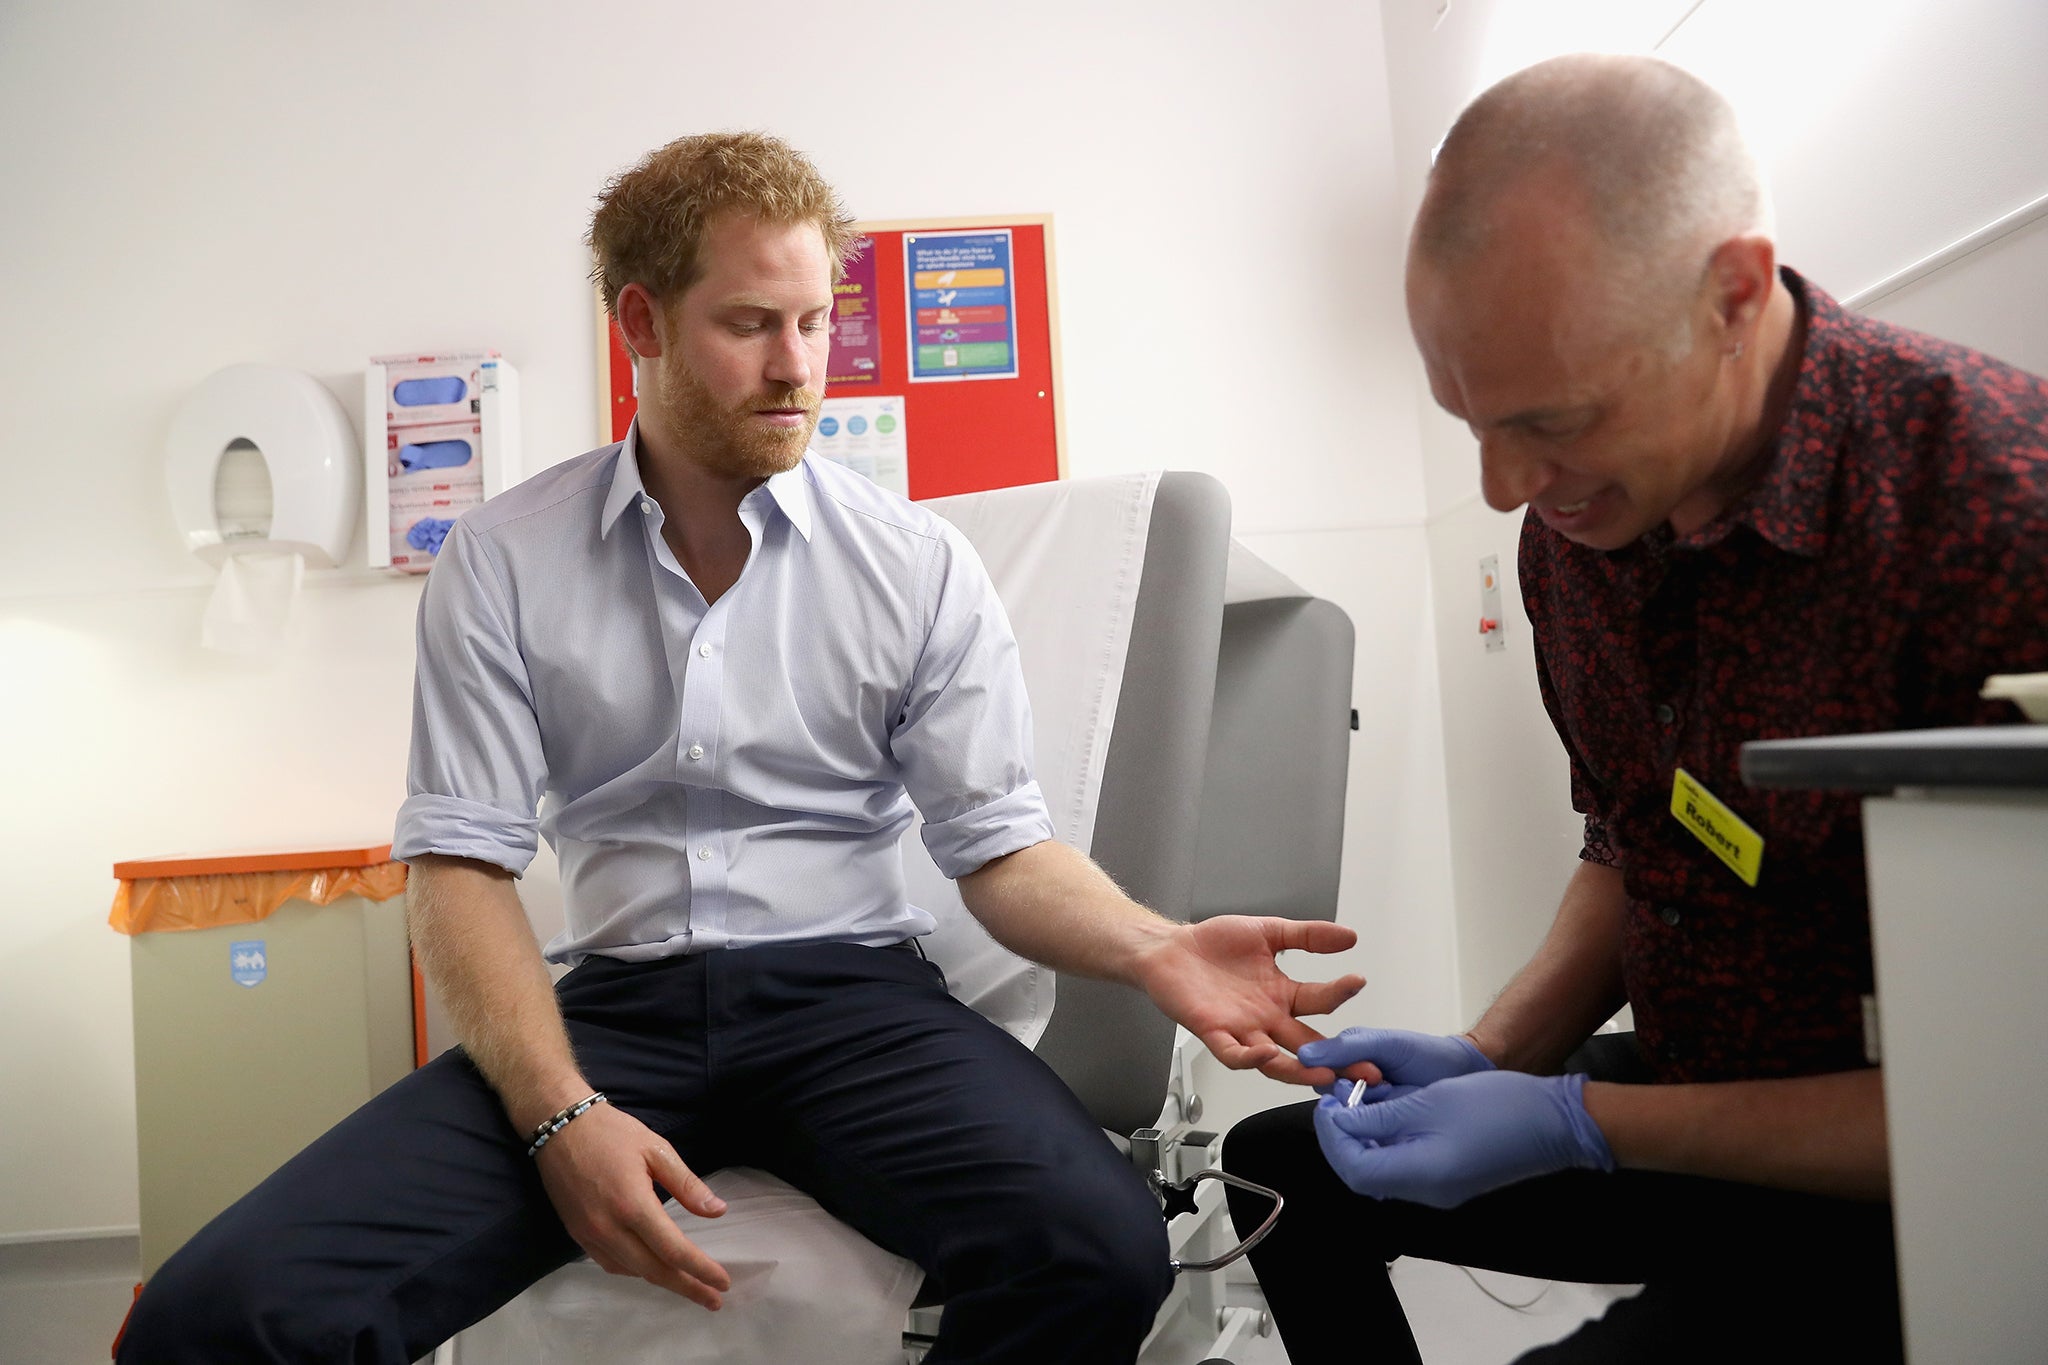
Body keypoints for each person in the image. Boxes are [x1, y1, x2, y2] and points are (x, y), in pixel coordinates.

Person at [118, 132, 1363, 1365]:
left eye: (817, 322)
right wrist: (561, 1117)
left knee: (1095, 1249)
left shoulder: (917, 568)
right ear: (641, 324)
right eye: (752, 323)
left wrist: (1154, 949)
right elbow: (462, 866)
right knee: (214, 1318)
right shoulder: (504, 560)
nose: (798, 368)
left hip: (856, 1007)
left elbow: (997, 850)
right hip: (616, 1015)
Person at [1223, 53, 2048, 1364]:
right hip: (1694, 1107)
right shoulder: (1585, 527)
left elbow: (2021, 1106)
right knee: (1279, 1171)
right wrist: (1494, 1055)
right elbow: (1639, 834)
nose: (1502, 491)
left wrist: (1582, 1121)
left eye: (1550, 420)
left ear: (1729, 294)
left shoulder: (1991, 500)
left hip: (1928, 1186)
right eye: (1470, 423)